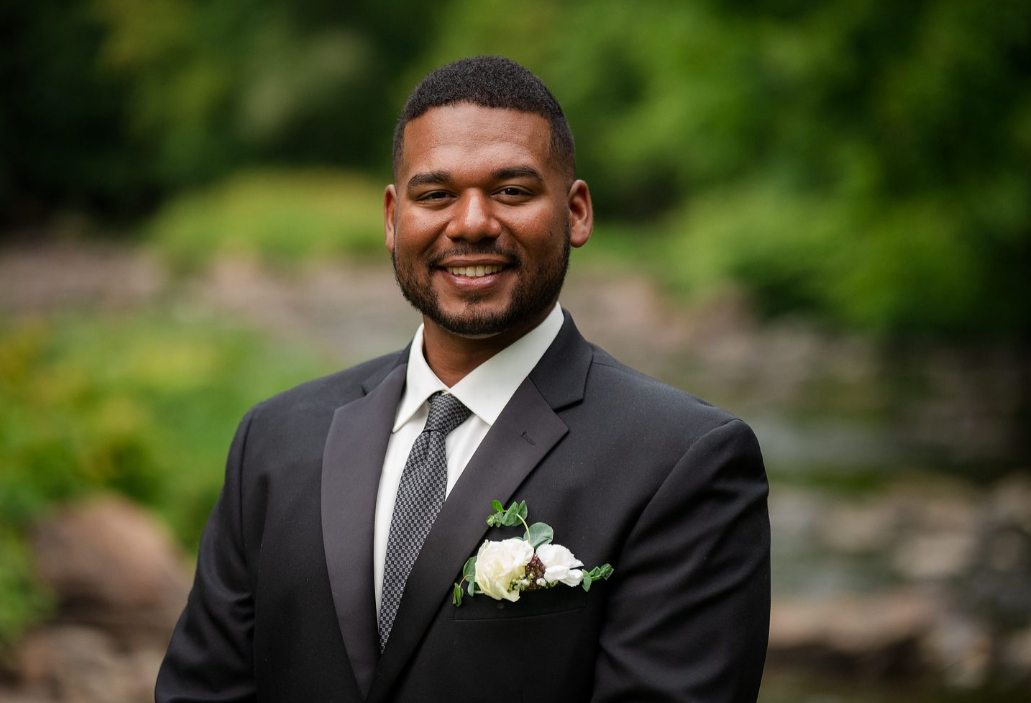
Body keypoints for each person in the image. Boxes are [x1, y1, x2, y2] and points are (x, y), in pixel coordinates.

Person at [156, 56, 770, 703]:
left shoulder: (682, 460)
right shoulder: (275, 439)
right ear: (392, 218)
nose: (472, 222)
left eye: (511, 191)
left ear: (576, 212)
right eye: (435, 195)